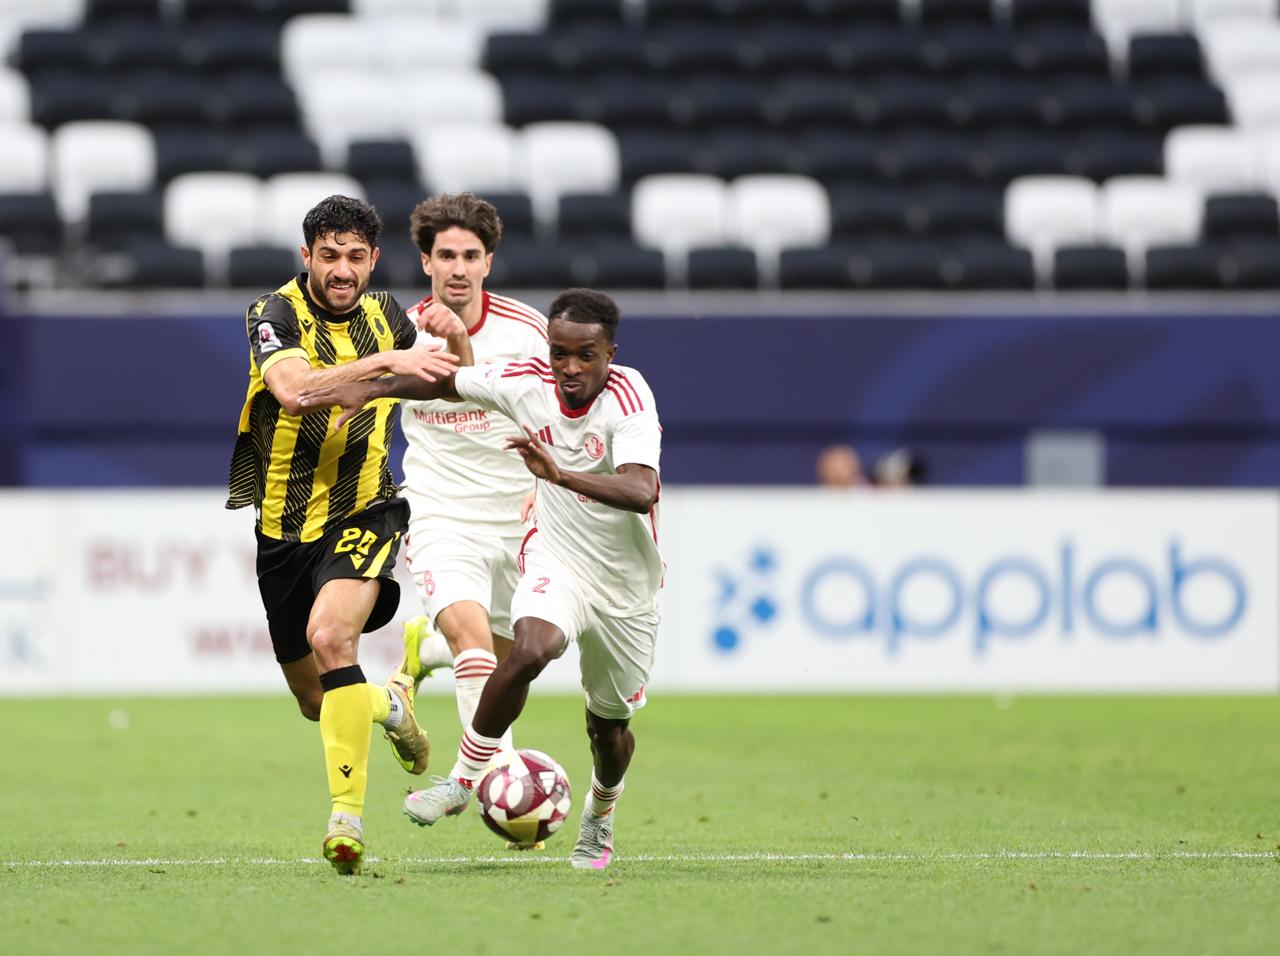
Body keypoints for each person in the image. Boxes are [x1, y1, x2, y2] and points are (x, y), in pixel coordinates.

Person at [298, 288, 662, 871]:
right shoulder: (527, 382)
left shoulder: (629, 395)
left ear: (609, 354)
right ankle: (465, 779)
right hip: (557, 562)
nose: (569, 367)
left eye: (585, 355)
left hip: (625, 586)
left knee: (608, 728)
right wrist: (368, 390)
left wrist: (559, 475)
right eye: (559, 353)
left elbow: (641, 489)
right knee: (529, 650)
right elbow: (446, 383)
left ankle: (600, 813)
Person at [224, 194, 470, 875]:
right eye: (329, 256)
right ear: (306, 256)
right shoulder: (273, 314)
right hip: (282, 530)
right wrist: (379, 370)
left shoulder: (389, 315)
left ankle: (346, 821)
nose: (342, 269)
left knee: (331, 637)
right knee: (317, 701)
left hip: (368, 509)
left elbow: (444, 386)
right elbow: (297, 390)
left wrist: (454, 344)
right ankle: (391, 702)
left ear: (373, 259)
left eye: (355, 257)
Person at [392, 193, 548, 790]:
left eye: (470, 256)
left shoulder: (529, 331)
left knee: (512, 665)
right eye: (446, 255)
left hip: (517, 517)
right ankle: (499, 783)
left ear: (488, 263)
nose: (458, 268)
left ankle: (426, 652)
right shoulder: (400, 332)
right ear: (426, 261)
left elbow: (563, 417)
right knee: (477, 648)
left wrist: (548, 484)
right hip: (441, 513)